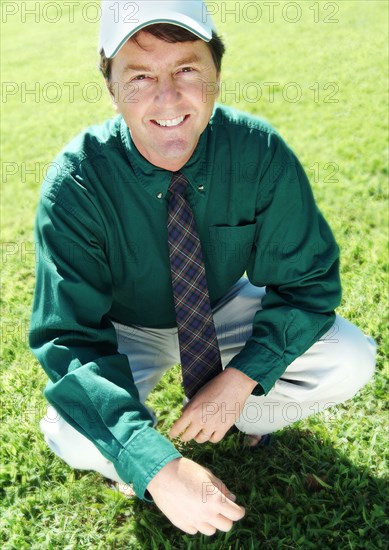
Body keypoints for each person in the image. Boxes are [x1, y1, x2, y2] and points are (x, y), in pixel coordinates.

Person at [30, 0, 376, 537]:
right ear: (111, 85)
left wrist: (242, 380)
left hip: (220, 305)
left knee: (351, 358)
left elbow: (307, 285)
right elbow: (71, 342)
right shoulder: (75, 182)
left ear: (216, 75)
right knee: (71, 432)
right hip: (125, 327)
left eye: (187, 69)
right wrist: (155, 467)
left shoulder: (259, 151)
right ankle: (145, 461)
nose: (168, 98)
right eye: (140, 75)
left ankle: (242, 418)